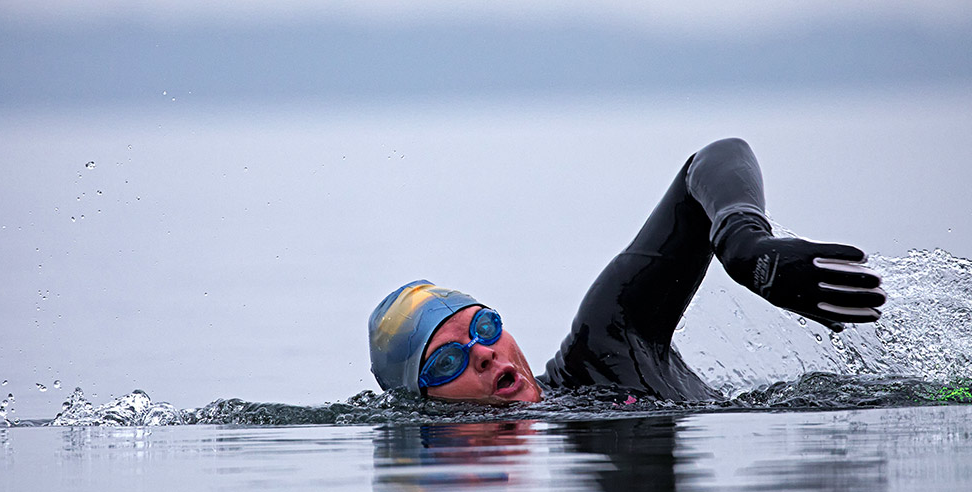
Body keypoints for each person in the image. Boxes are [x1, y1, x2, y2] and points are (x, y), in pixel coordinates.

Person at [367, 138, 885, 404]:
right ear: (421, 405)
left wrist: (741, 237)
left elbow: (715, 156)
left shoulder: (605, 345)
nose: (483, 353)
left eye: (483, 328)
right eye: (447, 362)